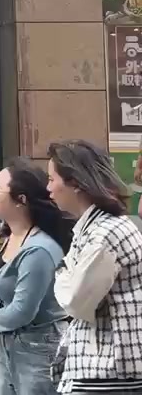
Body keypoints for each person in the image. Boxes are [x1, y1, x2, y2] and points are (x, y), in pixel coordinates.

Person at [46, 140, 142, 394]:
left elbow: (75, 300)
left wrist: (62, 272)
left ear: (76, 183)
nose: (48, 188)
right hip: (103, 369)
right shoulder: (94, 228)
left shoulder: (105, 233)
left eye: (52, 179)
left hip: (109, 374)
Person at [0, 161, 72, 395]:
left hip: (38, 348)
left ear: (20, 200)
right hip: (8, 343)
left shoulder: (38, 250)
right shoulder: (13, 237)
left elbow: (23, 310)